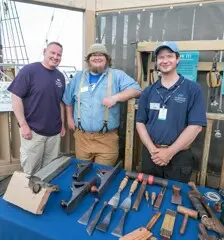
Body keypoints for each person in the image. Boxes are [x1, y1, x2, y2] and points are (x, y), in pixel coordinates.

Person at [136, 41, 206, 183]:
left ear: (177, 59)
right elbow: (140, 122)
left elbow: (196, 126)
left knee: (175, 197)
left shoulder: (193, 89)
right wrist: (152, 149)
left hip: (179, 156)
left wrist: (170, 152)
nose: (165, 60)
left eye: (169, 56)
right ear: (156, 62)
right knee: (147, 192)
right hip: (152, 154)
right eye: (161, 57)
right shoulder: (148, 91)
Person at [63, 43, 141, 166]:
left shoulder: (117, 75)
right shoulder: (78, 77)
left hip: (107, 140)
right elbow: (68, 100)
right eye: (93, 55)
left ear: (107, 59)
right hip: (82, 138)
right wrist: (69, 118)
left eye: (101, 55)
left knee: (102, 177)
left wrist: (116, 98)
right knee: (82, 173)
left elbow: (137, 90)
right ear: (88, 59)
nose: (97, 57)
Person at [8, 42, 66, 175]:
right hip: (33, 132)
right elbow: (16, 98)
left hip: (54, 133)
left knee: (50, 170)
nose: (56, 57)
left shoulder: (60, 77)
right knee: (31, 171)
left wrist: (62, 124)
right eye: (53, 53)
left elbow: (60, 103)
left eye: (59, 55)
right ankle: (30, 195)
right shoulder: (29, 70)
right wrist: (23, 125)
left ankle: (45, 195)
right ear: (44, 51)